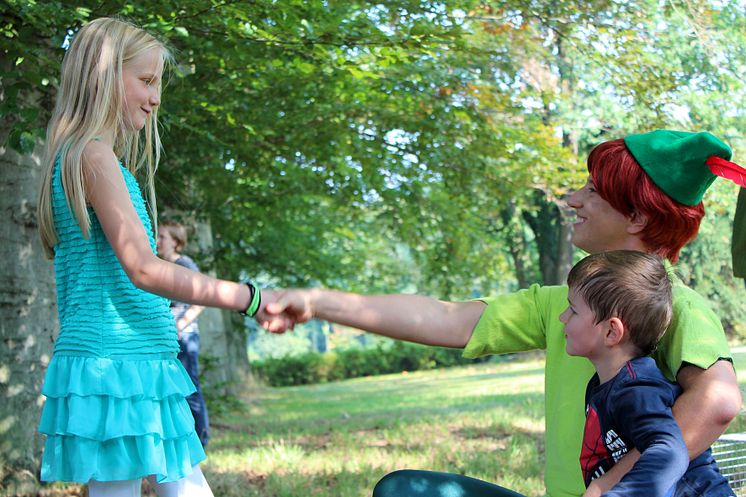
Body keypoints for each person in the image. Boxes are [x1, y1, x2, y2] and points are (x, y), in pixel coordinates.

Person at [262, 130, 746, 497]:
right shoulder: (564, 304)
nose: (572, 199)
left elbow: (718, 401)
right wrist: (316, 302)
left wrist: (609, 488)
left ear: (638, 216)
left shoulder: (679, 305)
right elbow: (448, 318)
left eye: (593, 191)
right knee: (404, 490)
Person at [36, 17, 275, 497]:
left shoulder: (85, 157)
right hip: (117, 362)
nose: (156, 96)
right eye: (145, 81)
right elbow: (143, 268)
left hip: (137, 358)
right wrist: (249, 297)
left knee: (182, 486)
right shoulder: (94, 158)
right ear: (103, 77)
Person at [562, 250, 733, 497]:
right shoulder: (603, 384)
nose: (562, 317)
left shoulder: (637, 387)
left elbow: (669, 450)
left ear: (612, 331)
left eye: (573, 311)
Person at [157, 221, 210, 447]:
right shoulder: (158, 266)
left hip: (184, 338)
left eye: (162, 237)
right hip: (165, 339)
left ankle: (200, 439)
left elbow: (202, 298)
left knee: (189, 388)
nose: (157, 241)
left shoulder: (185, 264)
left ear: (176, 242)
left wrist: (180, 325)